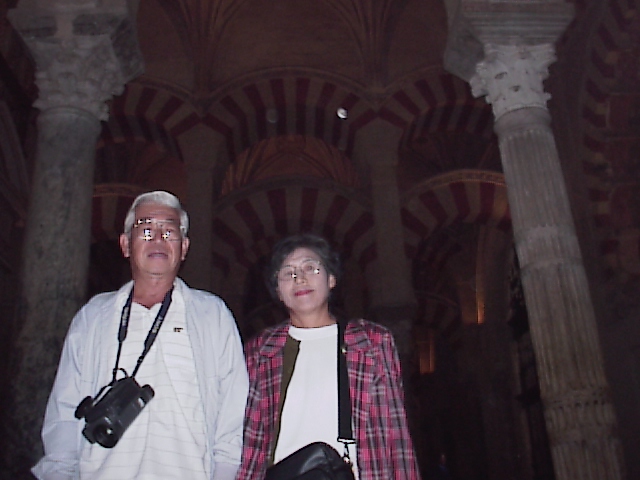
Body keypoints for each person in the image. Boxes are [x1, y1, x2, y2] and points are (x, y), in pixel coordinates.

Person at [32, 190, 249, 480]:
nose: (158, 238)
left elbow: (232, 413)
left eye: (169, 231)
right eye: (146, 230)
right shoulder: (94, 317)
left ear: (184, 247)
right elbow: (65, 410)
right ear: (125, 244)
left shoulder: (212, 315)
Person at [236, 233, 421, 479]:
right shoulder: (260, 350)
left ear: (331, 279)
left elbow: (395, 432)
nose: (300, 278)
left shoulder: (371, 342)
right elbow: (249, 439)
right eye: (288, 273)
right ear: (278, 291)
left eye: (310, 268)